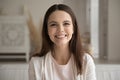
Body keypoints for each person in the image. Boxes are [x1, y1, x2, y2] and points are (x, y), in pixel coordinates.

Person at [29, 4, 96, 80]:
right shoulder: (35, 63)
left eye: (66, 24)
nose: (60, 29)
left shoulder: (86, 61)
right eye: (53, 24)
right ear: (47, 30)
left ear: (73, 28)